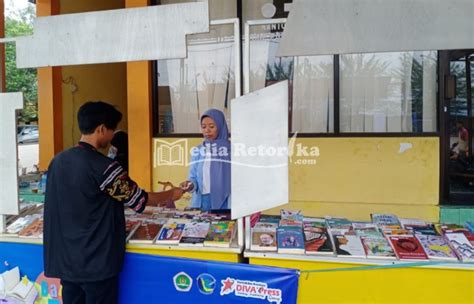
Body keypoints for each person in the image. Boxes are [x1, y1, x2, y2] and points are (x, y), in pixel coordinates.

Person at [43, 101, 166, 304]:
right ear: (101, 129)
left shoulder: (57, 161)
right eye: (112, 131)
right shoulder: (104, 167)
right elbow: (139, 201)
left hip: (67, 262)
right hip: (96, 264)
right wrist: (171, 194)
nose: (112, 137)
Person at [180, 109, 231, 211]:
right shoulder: (198, 151)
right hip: (201, 202)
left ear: (220, 127)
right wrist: (189, 185)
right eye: (204, 127)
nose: (207, 130)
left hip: (225, 203)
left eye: (211, 127)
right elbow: (193, 177)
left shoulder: (231, 150)